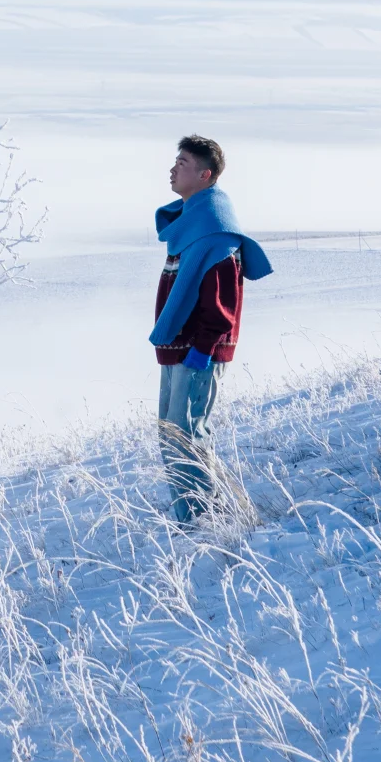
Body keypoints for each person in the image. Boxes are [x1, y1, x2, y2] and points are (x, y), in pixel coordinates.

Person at [150, 136, 272, 524]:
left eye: (182, 163)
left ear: (205, 175)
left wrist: (202, 350)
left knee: (187, 436)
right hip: (178, 349)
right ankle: (191, 515)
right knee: (172, 437)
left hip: (196, 352)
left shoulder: (215, 231)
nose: (173, 169)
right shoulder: (191, 226)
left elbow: (223, 306)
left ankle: (206, 520)